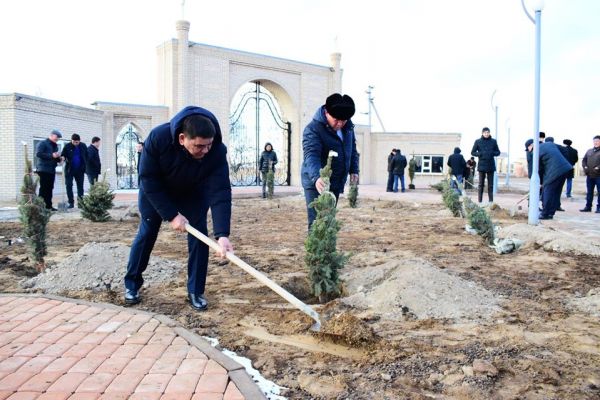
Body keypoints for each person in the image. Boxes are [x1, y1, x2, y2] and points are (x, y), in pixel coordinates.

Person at [124, 106, 233, 311]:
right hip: (156, 191)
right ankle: (132, 284)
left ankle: (195, 290)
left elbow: (220, 191)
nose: (205, 151)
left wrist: (223, 234)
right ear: (182, 138)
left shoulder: (217, 150)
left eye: (208, 145)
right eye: (199, 146)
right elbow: (148, 178)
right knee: (147, 232)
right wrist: (172, 215)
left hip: (192, 192)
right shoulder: (158, 138)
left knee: (200, 235)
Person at [301, 93, 359, 228]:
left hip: (336, 181)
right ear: (326, 112)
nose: (339, 124)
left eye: (343, 120)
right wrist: (317, 177)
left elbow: (352, 149)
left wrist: (354, 170)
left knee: (329, 220)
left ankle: (328, 249)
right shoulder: (313, 129)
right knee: (317, 223)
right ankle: (315, 250)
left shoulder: (348, 128)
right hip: (317, 182)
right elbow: (311, 155)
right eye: (336, 119)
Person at [525, 139, 572, 219]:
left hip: (554, 171)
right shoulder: (550, 144)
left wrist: (539, 182)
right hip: (565, 169)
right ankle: (550, 213)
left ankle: (545, 214)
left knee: (547, 191)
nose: (528, 151)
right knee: (556, 192)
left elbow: (538, 169)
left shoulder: (535, 152)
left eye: (528, 149)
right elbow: (565, 150)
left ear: (531, 146)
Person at [35, 129, 63, 210]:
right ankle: (41, 206)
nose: (57, 139)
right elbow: (38, 154)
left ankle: (48, 206)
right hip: (43, 169)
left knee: (50, 188)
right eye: (57, 137)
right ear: (52, 135)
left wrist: (59, 159)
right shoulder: (43, 143)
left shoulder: (55, 146)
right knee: (44, 188)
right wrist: (51, 155)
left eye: (58, 138)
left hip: (51, 170)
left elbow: (54, 157)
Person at [471, 127, 500, 203]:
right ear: (482, 133)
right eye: (485, 132)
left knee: (490, 185)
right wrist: (480, 154)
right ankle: (479, 201)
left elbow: (498, 152)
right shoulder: (478, 141)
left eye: (487, 132)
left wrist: (492, 153)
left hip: (491, 165)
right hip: (482, 166)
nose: (486, 134)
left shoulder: (493, 141)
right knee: (481, 185)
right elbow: (473, 152)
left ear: (489, 133)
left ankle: (491, 202)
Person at [61, 134, 88, 208]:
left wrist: (86, 166)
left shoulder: (83, 146)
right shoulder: (67, 146)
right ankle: (71, 203)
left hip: (80, 170)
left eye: (77, 142)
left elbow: (87, 156)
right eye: (74, 142)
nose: (75, 143)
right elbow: (63, 154)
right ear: (71, 140)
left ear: (79, 141)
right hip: (70, 170)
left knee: (80, 187)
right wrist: (62, 158)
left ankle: (81, 203)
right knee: (69, 185)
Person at [580, 135, 600, 213]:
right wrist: (585, 167)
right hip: (589, 175)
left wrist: (598, 168)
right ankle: (588, 207)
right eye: (594, 141)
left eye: (597, 141)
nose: (596, 142)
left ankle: (599, 208)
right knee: (589, 192)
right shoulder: (589, 151)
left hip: (598, 176)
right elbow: (584, 160)